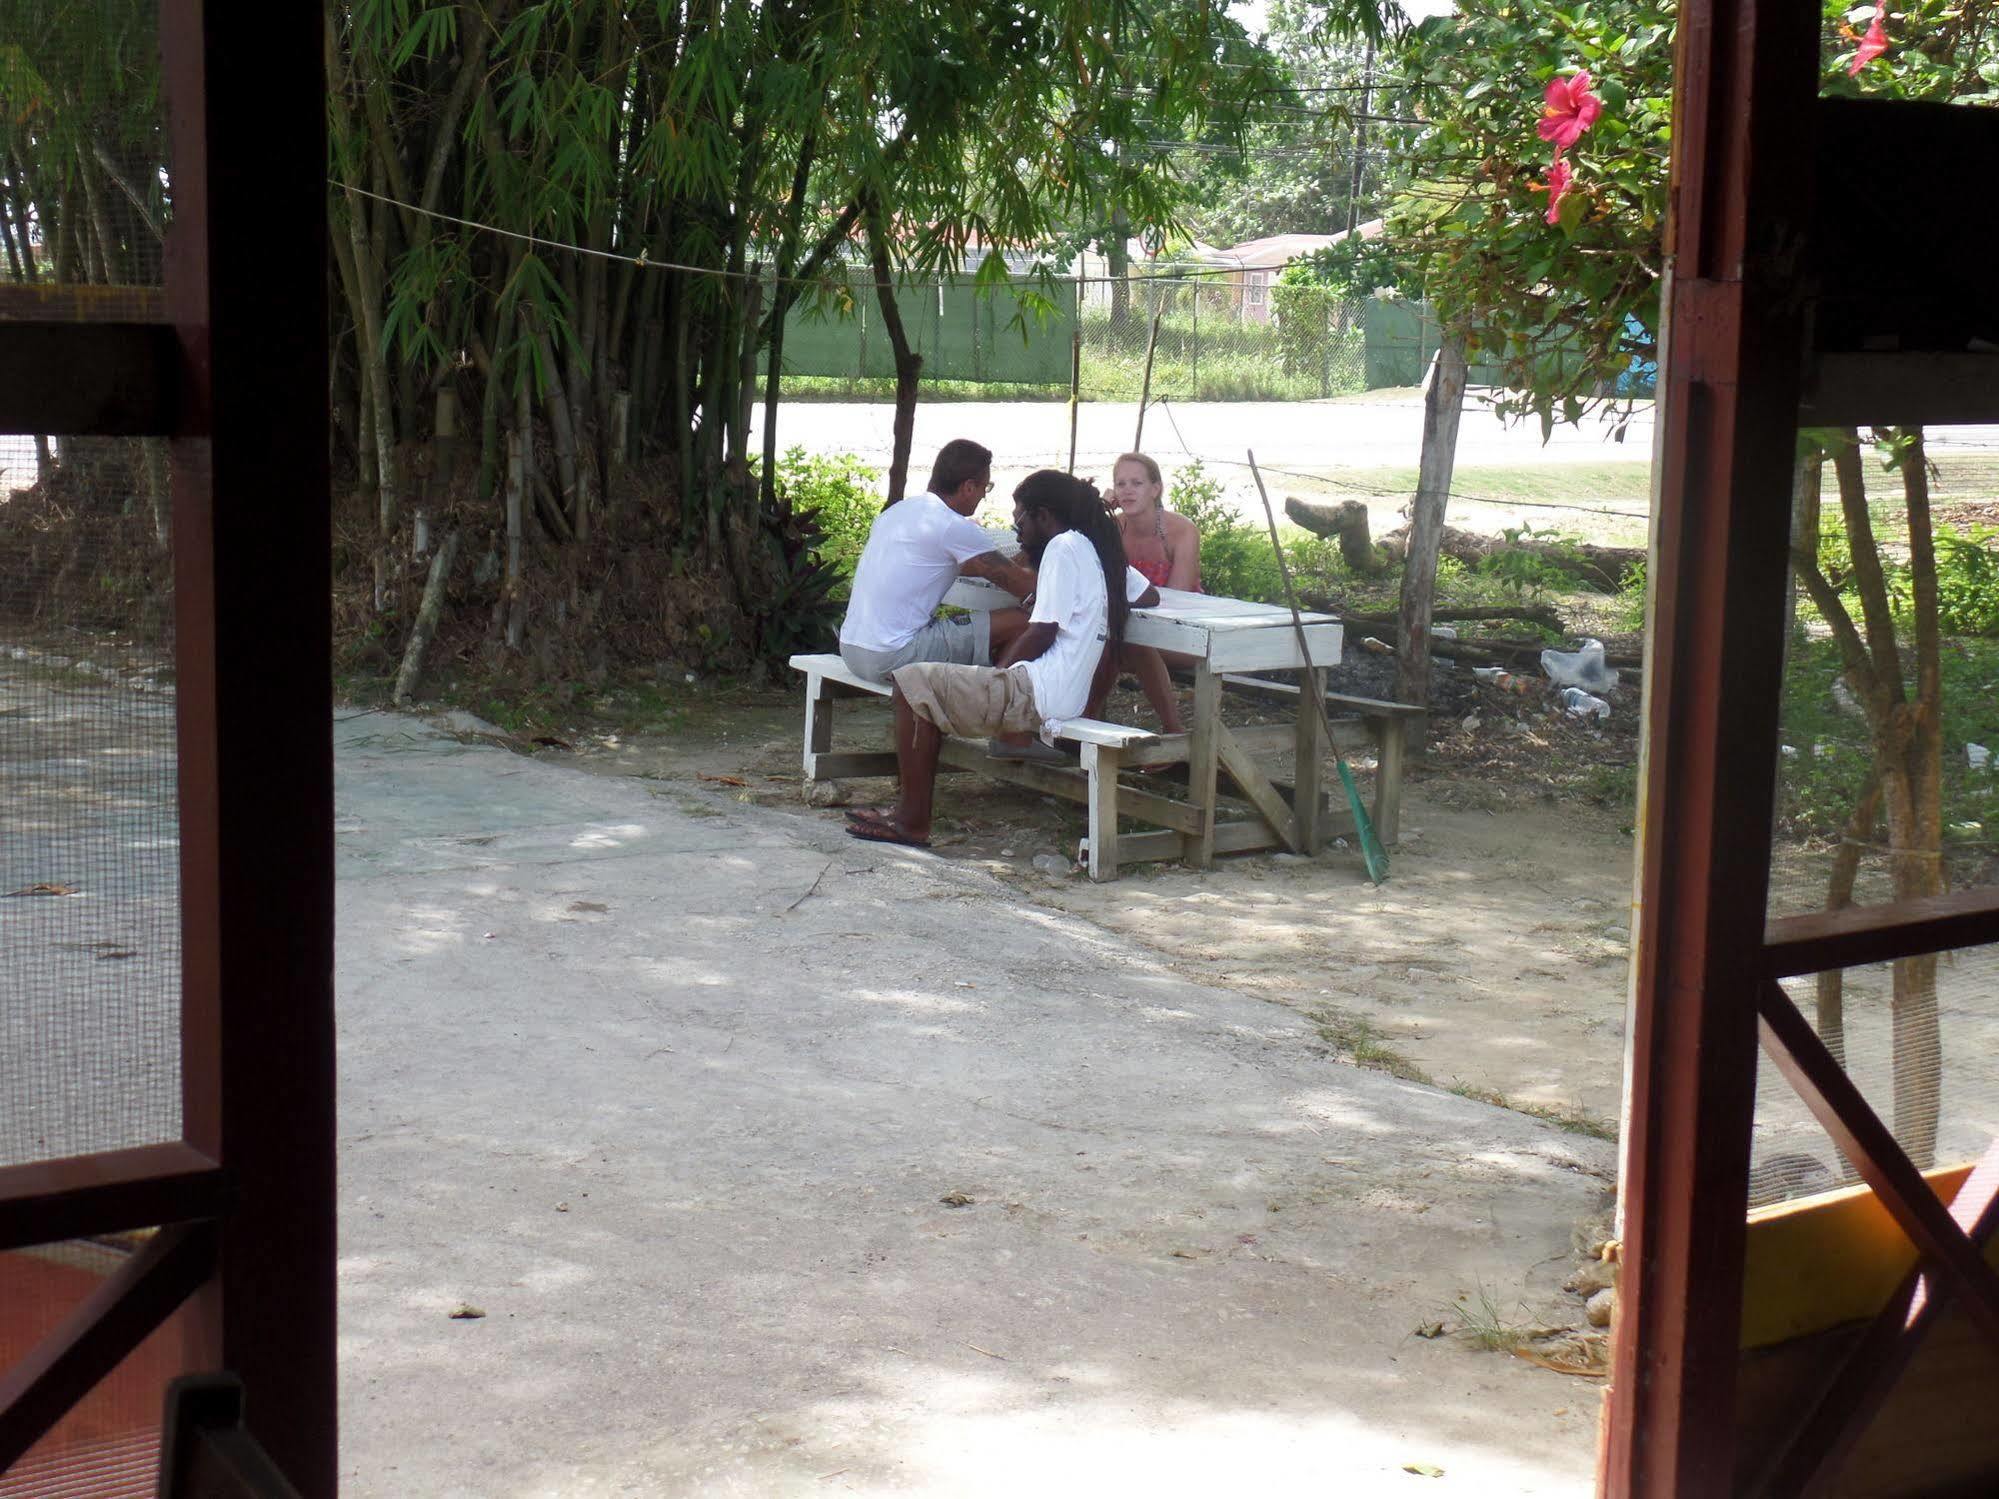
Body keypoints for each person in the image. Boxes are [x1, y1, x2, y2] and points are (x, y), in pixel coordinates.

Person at [845, 471, 1133, 849]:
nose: (1016, 530)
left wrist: (996, 676)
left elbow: (1041, 630)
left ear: (1044, 516)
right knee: (918, 682)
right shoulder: (1083, 547)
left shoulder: (1063, 548)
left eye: (1021, 520)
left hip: (1038, 690)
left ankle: (911, 821)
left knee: (911, 683)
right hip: (1054, 689)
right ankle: (908, 814)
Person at [836, 439, 1037, 683]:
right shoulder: (952, 525)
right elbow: (1025, 586)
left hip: (852, 649)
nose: (984, 495)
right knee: (1024, 621)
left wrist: (1017, 560)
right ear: (969, 487)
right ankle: (993, 700)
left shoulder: (897, 512)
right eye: (987, 486)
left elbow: (976, 567)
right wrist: (1039, 544)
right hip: (893, 656)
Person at [1108, 451, 1200, 734]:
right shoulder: (1112, 527)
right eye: (1120, 484)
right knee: (1098, 644)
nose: (1127, 491)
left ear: (1155, 489)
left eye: (1136, 483)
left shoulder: (1181, 530)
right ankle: (1081, 728)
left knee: (1122, 646)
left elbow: (1176, 600)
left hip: (1182, 633)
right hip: (1126, 630)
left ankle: (1174, 729)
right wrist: (1098, 510)